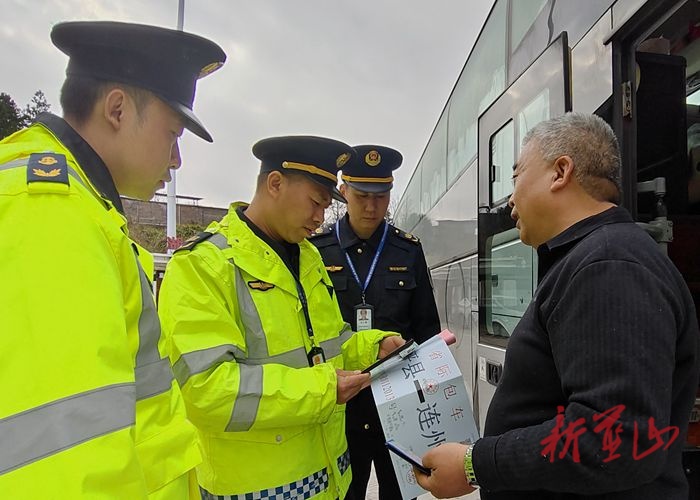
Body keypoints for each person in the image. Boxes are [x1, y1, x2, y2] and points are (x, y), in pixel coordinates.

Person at [415, 112, 700, 499]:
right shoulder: (592, 258)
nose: (510, 199)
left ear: (560, 172)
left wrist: (475, 464)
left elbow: (618, 439)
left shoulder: (608, 264)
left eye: (516, 176)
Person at [0, 21, 225, 498]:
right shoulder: (52, 211)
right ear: (117, 109)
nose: (177, 160)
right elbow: (64, 460)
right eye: (172, 133)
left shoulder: (78, 206)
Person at [157, 136, 405, 500]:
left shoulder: (308, 258)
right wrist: (323, 390)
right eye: (315, 203)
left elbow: (330, 345)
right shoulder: (204, 266)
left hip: (329, 484)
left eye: (326, 206)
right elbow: (206, 390)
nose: (320, 218)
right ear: (275, 184)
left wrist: (374, 346)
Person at [310, 144, 441, 499]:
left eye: (381, 197)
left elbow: (425, 327)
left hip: (398, 405)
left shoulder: (407, 250)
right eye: (362, 196)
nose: (371, 207)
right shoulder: (316, 250)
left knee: (400, 493)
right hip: (340, 406)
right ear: (344, 192)